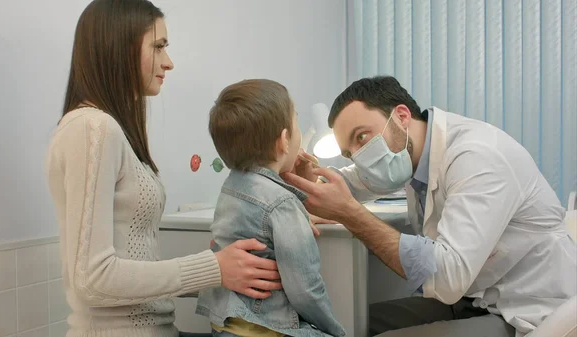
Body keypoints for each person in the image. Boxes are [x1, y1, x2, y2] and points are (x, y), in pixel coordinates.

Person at [45, 1, 282, 336]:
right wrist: (213, 268)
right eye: (158, 47)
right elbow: (92, 280)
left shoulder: (108, 129)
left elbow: (133, 268)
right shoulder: (92, 129)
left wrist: (228, 266)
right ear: (119, 49)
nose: (168, 63)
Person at [284, 76, 576, 337]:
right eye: (349, 153)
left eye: (362, 137)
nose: (359, 157)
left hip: (528, 309)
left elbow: (448, 277)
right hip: (475, 298)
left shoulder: (477, 157)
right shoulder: (408, 156)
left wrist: (351, 215)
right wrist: (311, 181)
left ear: (401, 116)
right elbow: (351, 182)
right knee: (349, 323)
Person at [195, 79, 346, 337]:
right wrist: (335, 330)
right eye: (297, 123)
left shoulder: (231, 187)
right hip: (267, 327)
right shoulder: (282, 204)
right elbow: (305, 289)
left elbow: (259, 218)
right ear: (285, 140)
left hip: (224, 324)